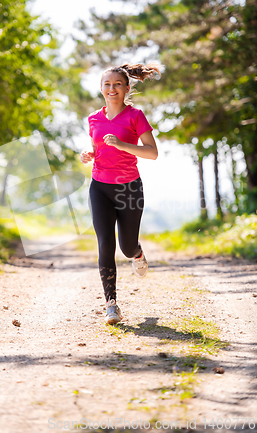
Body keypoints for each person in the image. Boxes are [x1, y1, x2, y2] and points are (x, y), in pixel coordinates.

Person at [80, 63, 162, 325]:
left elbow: (152, 152)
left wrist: (123, 145)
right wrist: (90, 154)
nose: (111, 88)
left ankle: (137, 254)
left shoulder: (135, 116)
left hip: (129, 187)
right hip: (100, 186)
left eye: (117, 84)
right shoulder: (94, 118)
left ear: (127, 88)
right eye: (107, 84)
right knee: (105, 243)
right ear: (101, 89)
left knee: (126, 247)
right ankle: (111, 305)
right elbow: (99, 147)